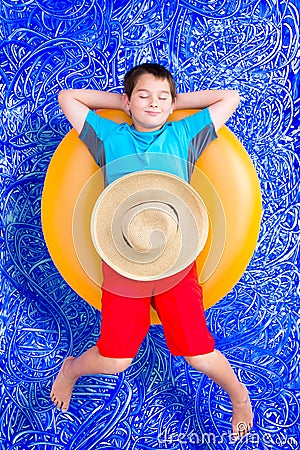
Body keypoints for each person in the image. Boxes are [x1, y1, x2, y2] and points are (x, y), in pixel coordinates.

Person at [50, 63, 253, 438]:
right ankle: (72, 369)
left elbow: (231, 98)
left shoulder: (184, 133)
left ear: (172, 104)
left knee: (198, 353)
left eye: (162, 98)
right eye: (143, 96)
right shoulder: (109, 138)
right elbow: (68, 98)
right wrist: (126, 104)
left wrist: (172, 104)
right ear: (128, 101)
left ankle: (239, 396)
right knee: (116, 359)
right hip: (124, 257)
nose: (153, 104)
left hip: (176, 257)